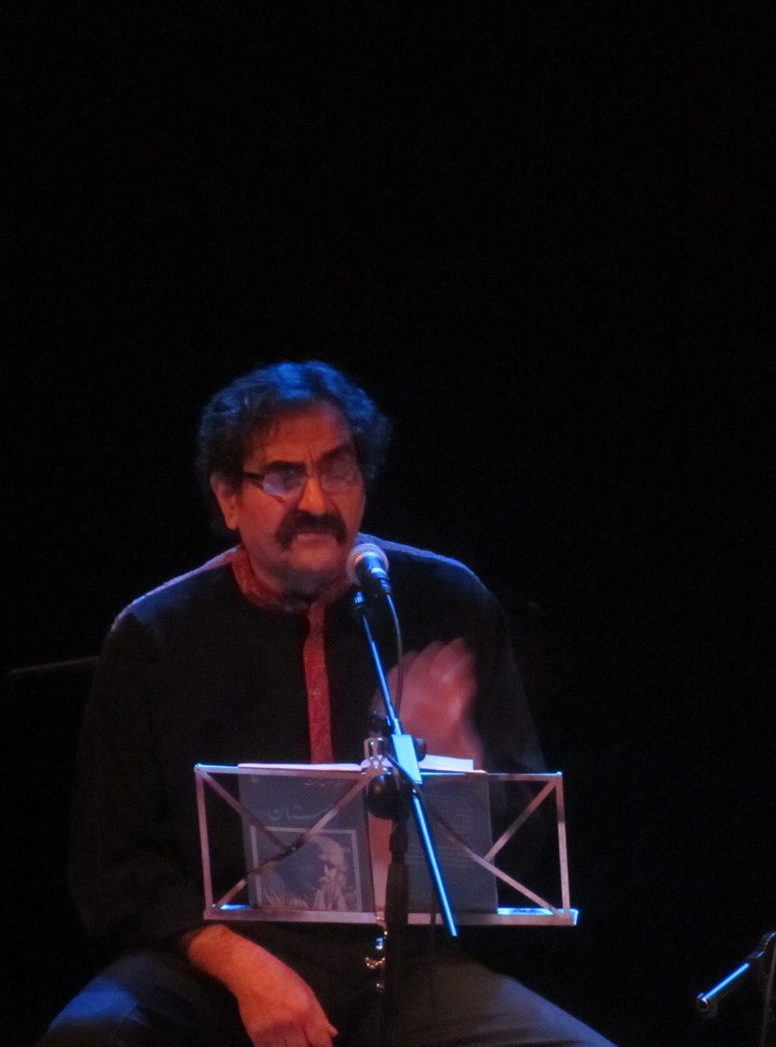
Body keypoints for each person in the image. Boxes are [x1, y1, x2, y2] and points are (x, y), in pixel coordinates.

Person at [40, 360, 615, 1047]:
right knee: (92, 1034)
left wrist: (458, 757)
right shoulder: (157, 634)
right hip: (212, 964)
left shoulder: (446, 602)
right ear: (228, 498)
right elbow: (113, 869)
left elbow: (522, 856)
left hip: (403, 963)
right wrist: (244, 969)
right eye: (283, 476)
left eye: (337, 470)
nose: (315, 501)